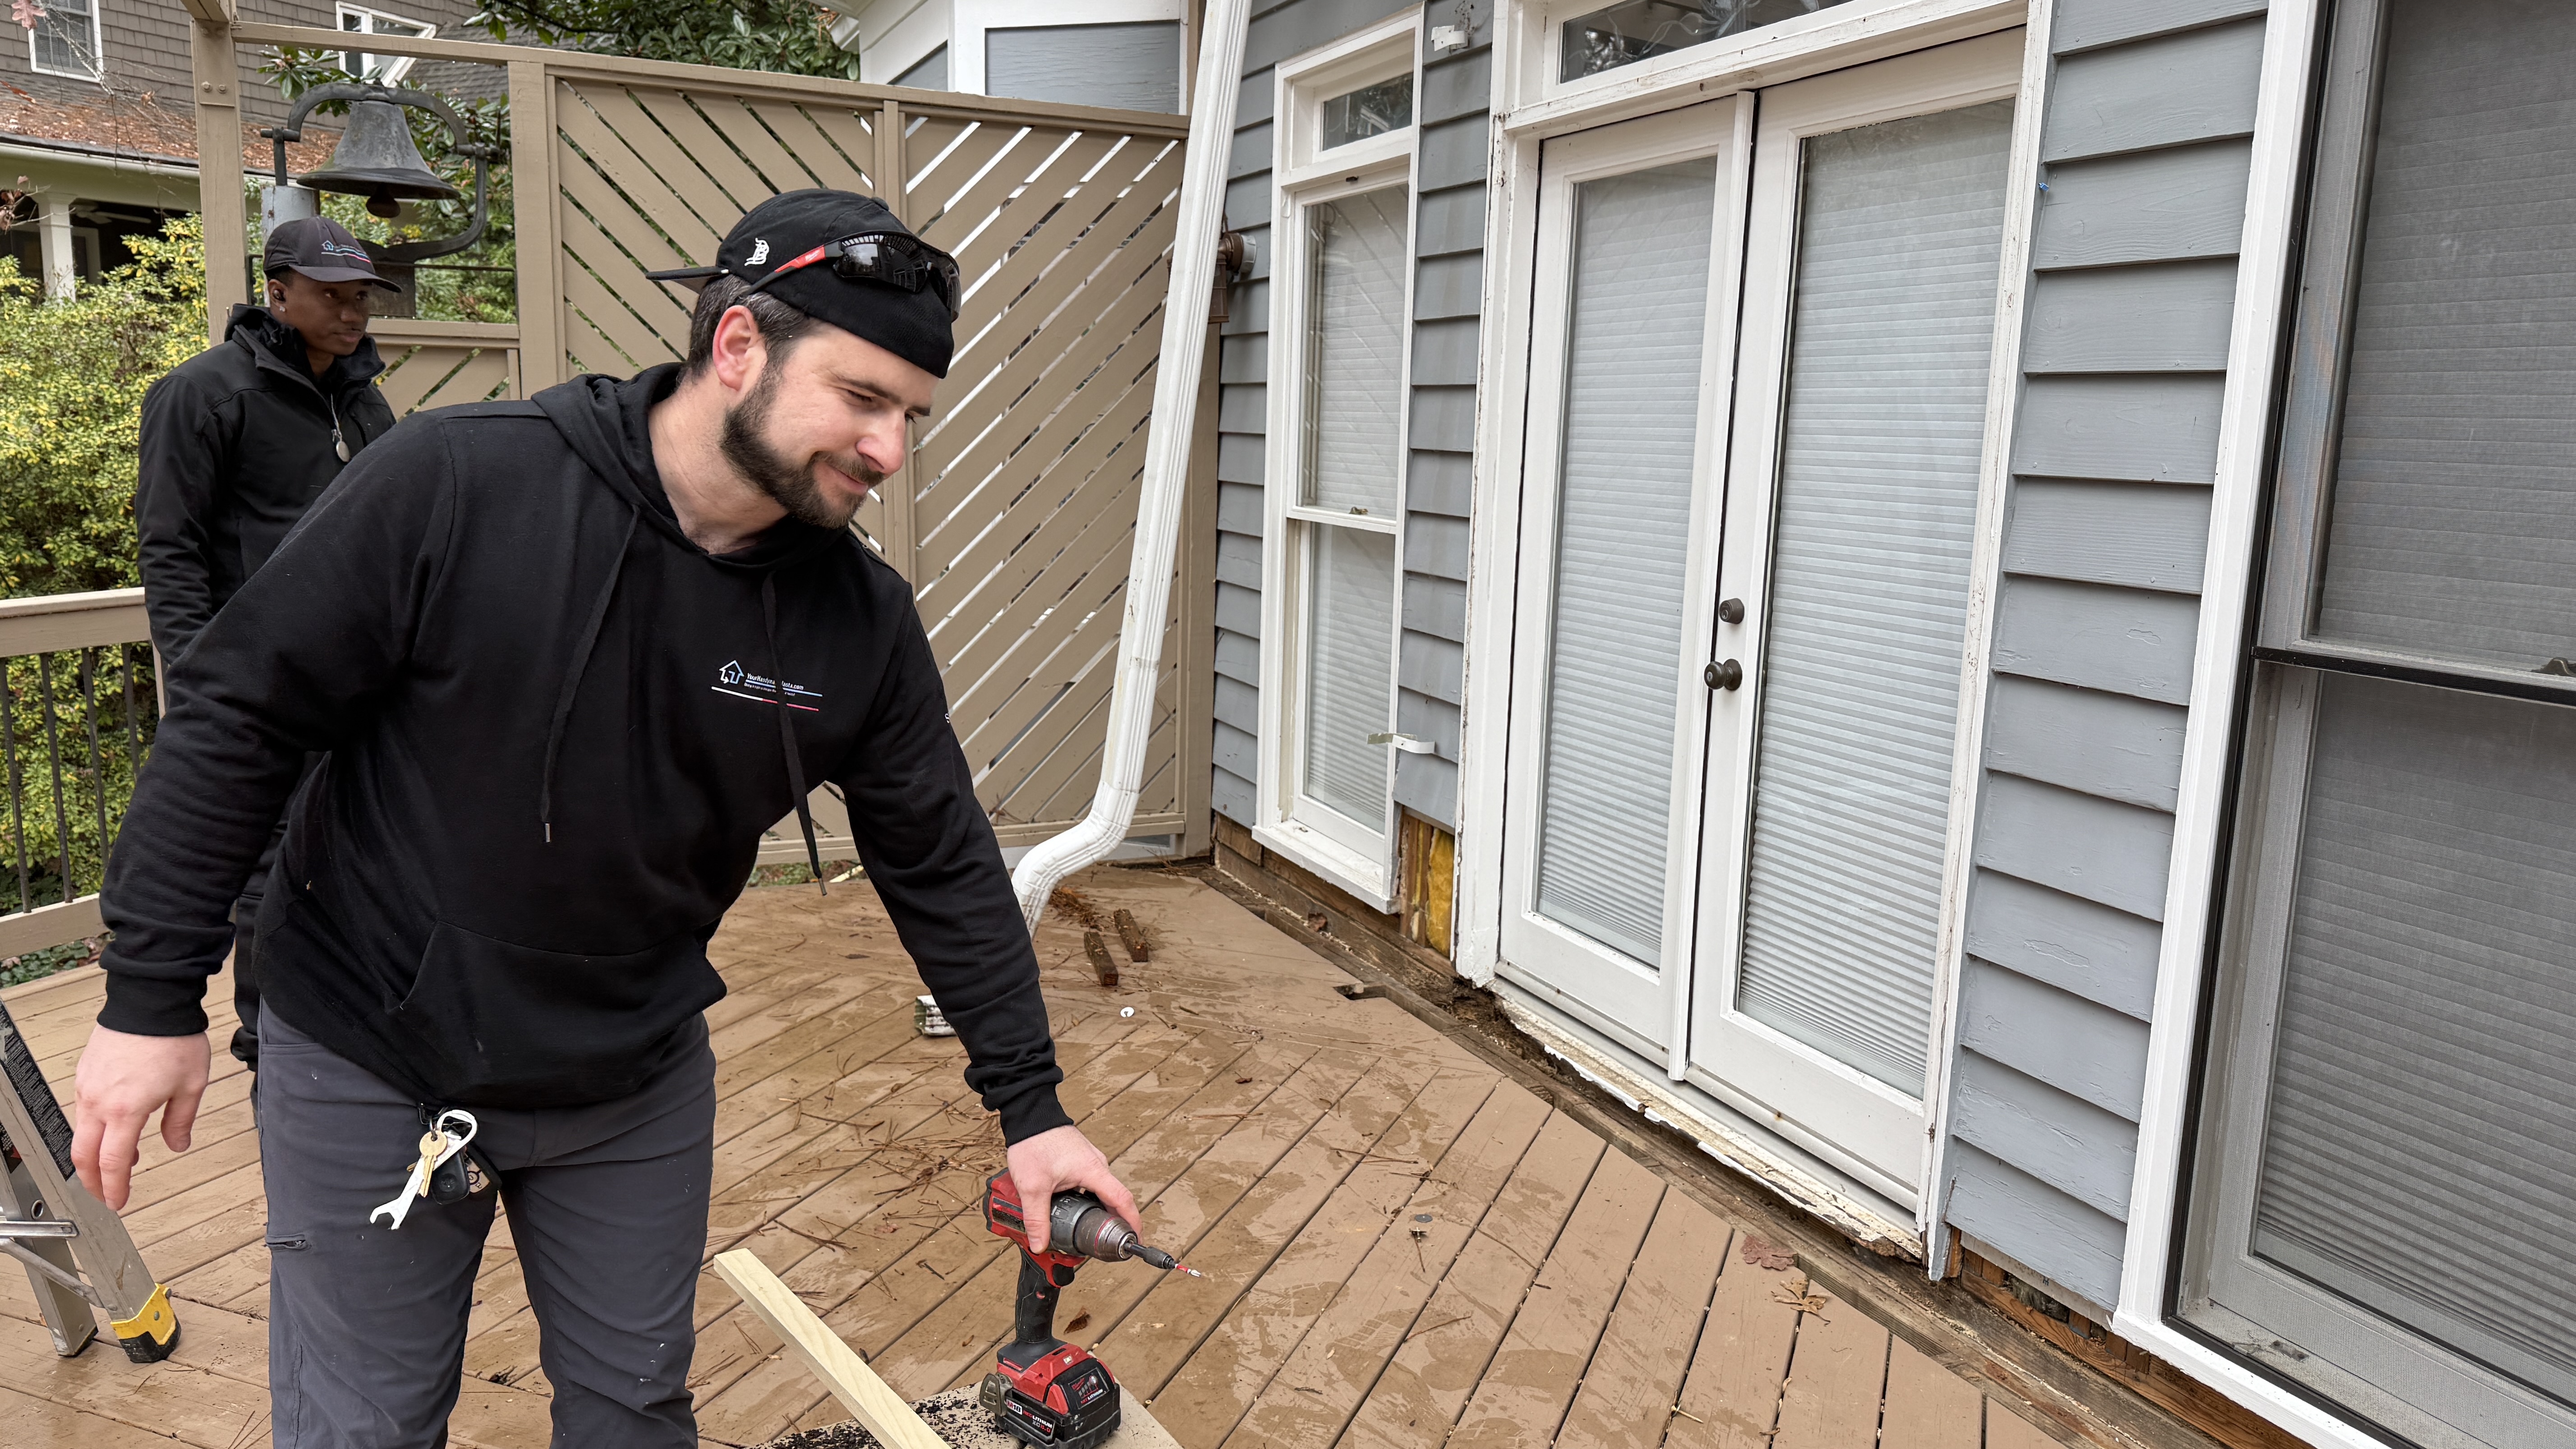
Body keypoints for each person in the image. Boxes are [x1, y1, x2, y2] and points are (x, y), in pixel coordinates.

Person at [76, 189, 1138, 1448]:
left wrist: (1033, 1107)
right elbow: (239, 711)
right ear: (738, 344)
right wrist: (153, 995)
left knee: (635, 1412)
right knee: (365, 1425)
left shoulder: (858, 620)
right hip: (370, 1045)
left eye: (911, 412)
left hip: (627, 1072)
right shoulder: (459, 481)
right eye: (862, 398)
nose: (891, 448)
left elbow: (944, 862)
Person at [132, 215, 401, 1075]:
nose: (352, 312)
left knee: (355, 845)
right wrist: (198, 672)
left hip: (357, 679)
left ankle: (347, 1022)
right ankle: (269, 1041)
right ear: (277, 292)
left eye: (361, 296)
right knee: (266, 864)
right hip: (254, 681)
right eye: (332, 295)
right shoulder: (203, 393)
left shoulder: (364, 401)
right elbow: (168, 546)